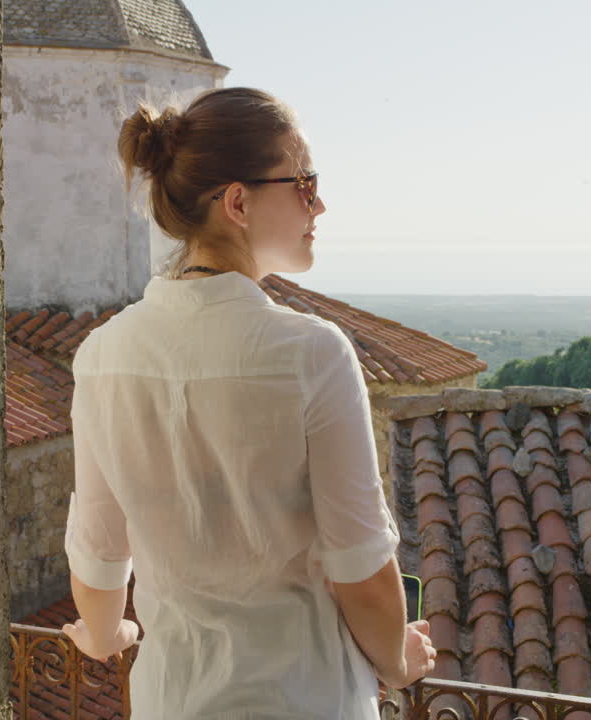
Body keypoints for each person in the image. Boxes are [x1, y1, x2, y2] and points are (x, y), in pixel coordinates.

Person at [58, 87, 436, 718]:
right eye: (306, 184)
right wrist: (399, 660)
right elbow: (363, 572)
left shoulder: (102, 356)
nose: (320, 204)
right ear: (238, 201)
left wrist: (105, 636)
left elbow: (99, 561)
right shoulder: (311, 354)